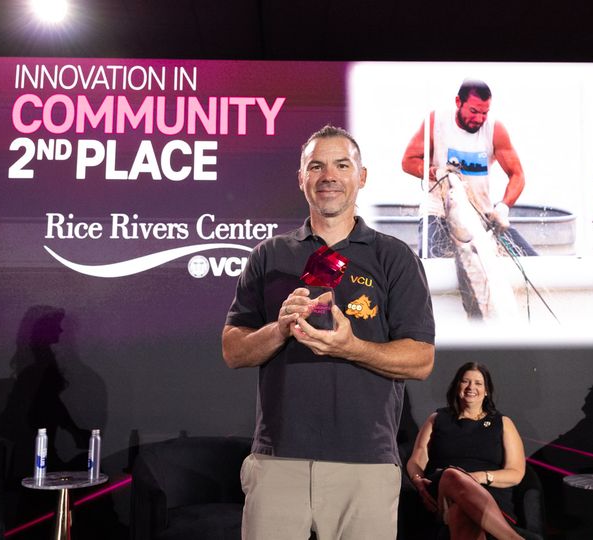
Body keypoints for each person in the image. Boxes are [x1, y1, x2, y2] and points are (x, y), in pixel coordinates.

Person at [222, 125, 435, 540]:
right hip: (278, 459)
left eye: (342, 165)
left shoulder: (394, 257)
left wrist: (352, 347)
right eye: (316, 166)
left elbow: (421, 360)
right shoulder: (269, 255)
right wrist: (280, 328)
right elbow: (234, 351)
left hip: (366, 462)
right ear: (301, 178)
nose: (329, 176)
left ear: (362, 176)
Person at [401, 78, 536, 259]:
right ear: (458, 102)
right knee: (432, 268)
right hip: (439, 213)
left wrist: (503, 207)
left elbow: (517, 175)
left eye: (484, 113)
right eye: (473, 111)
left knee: (533, 262)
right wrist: (435, 173)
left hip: (482, 216)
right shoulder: (436, 121)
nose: (479, 119)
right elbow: (408, 161)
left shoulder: (495, 130)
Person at [407, 362, 525, 540]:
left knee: (460, 513)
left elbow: (516, 472)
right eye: (465, 382)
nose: (471, 387)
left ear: (486, 391)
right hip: (442, 488)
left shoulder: (502, 423)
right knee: (452, 475)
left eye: (478, 383)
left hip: (488, 493)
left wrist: (478, 477)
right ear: (457, 386)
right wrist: (418, 481)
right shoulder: (438, 419)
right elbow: (417, 458)